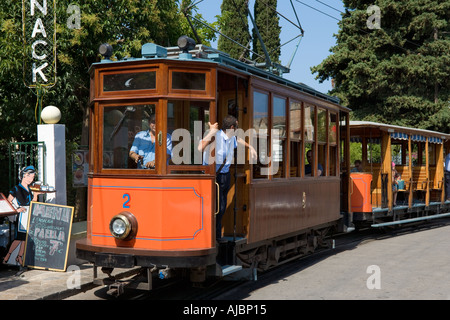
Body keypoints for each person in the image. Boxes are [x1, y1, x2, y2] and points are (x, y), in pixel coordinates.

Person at [198, 115, 257, 241]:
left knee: (221, 207)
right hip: (212, 175)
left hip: (225, 175)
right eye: (237, 127)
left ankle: (216, 235)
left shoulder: (231, 137)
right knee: (216, 207)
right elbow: (200, 148)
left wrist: (250, 147)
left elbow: (238, 140)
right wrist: (211, 132)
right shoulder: (215, 136)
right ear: (231, 127)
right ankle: (213, 236)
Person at [3, 165, 41, 266]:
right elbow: (8, 201)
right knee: (19, 238)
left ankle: (19, 257)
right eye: (30, 177)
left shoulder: (30, 189)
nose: (31, 179)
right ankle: (8, 255)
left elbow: (33, 203)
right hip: (21, 216)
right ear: (24, 176)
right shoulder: (16, 188)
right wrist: (16, 210)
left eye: (33, 178)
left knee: (25, 238)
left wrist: (36, 195)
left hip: (28, 215)